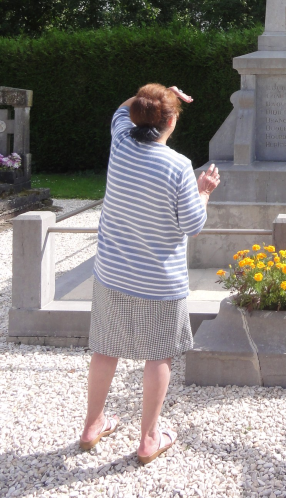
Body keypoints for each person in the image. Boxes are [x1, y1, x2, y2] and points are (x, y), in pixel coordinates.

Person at [79, 84, 220, 464]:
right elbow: (192, 224)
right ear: (170, 122)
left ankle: (92, 426)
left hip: (112, 272)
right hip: (159, 280)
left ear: (138, 115)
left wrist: (159, 91)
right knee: (158, 357)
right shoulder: (177, 165)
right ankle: (148, 438)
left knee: (105, 349)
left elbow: (122, 108)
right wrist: (204, 191)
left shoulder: (121, 141)